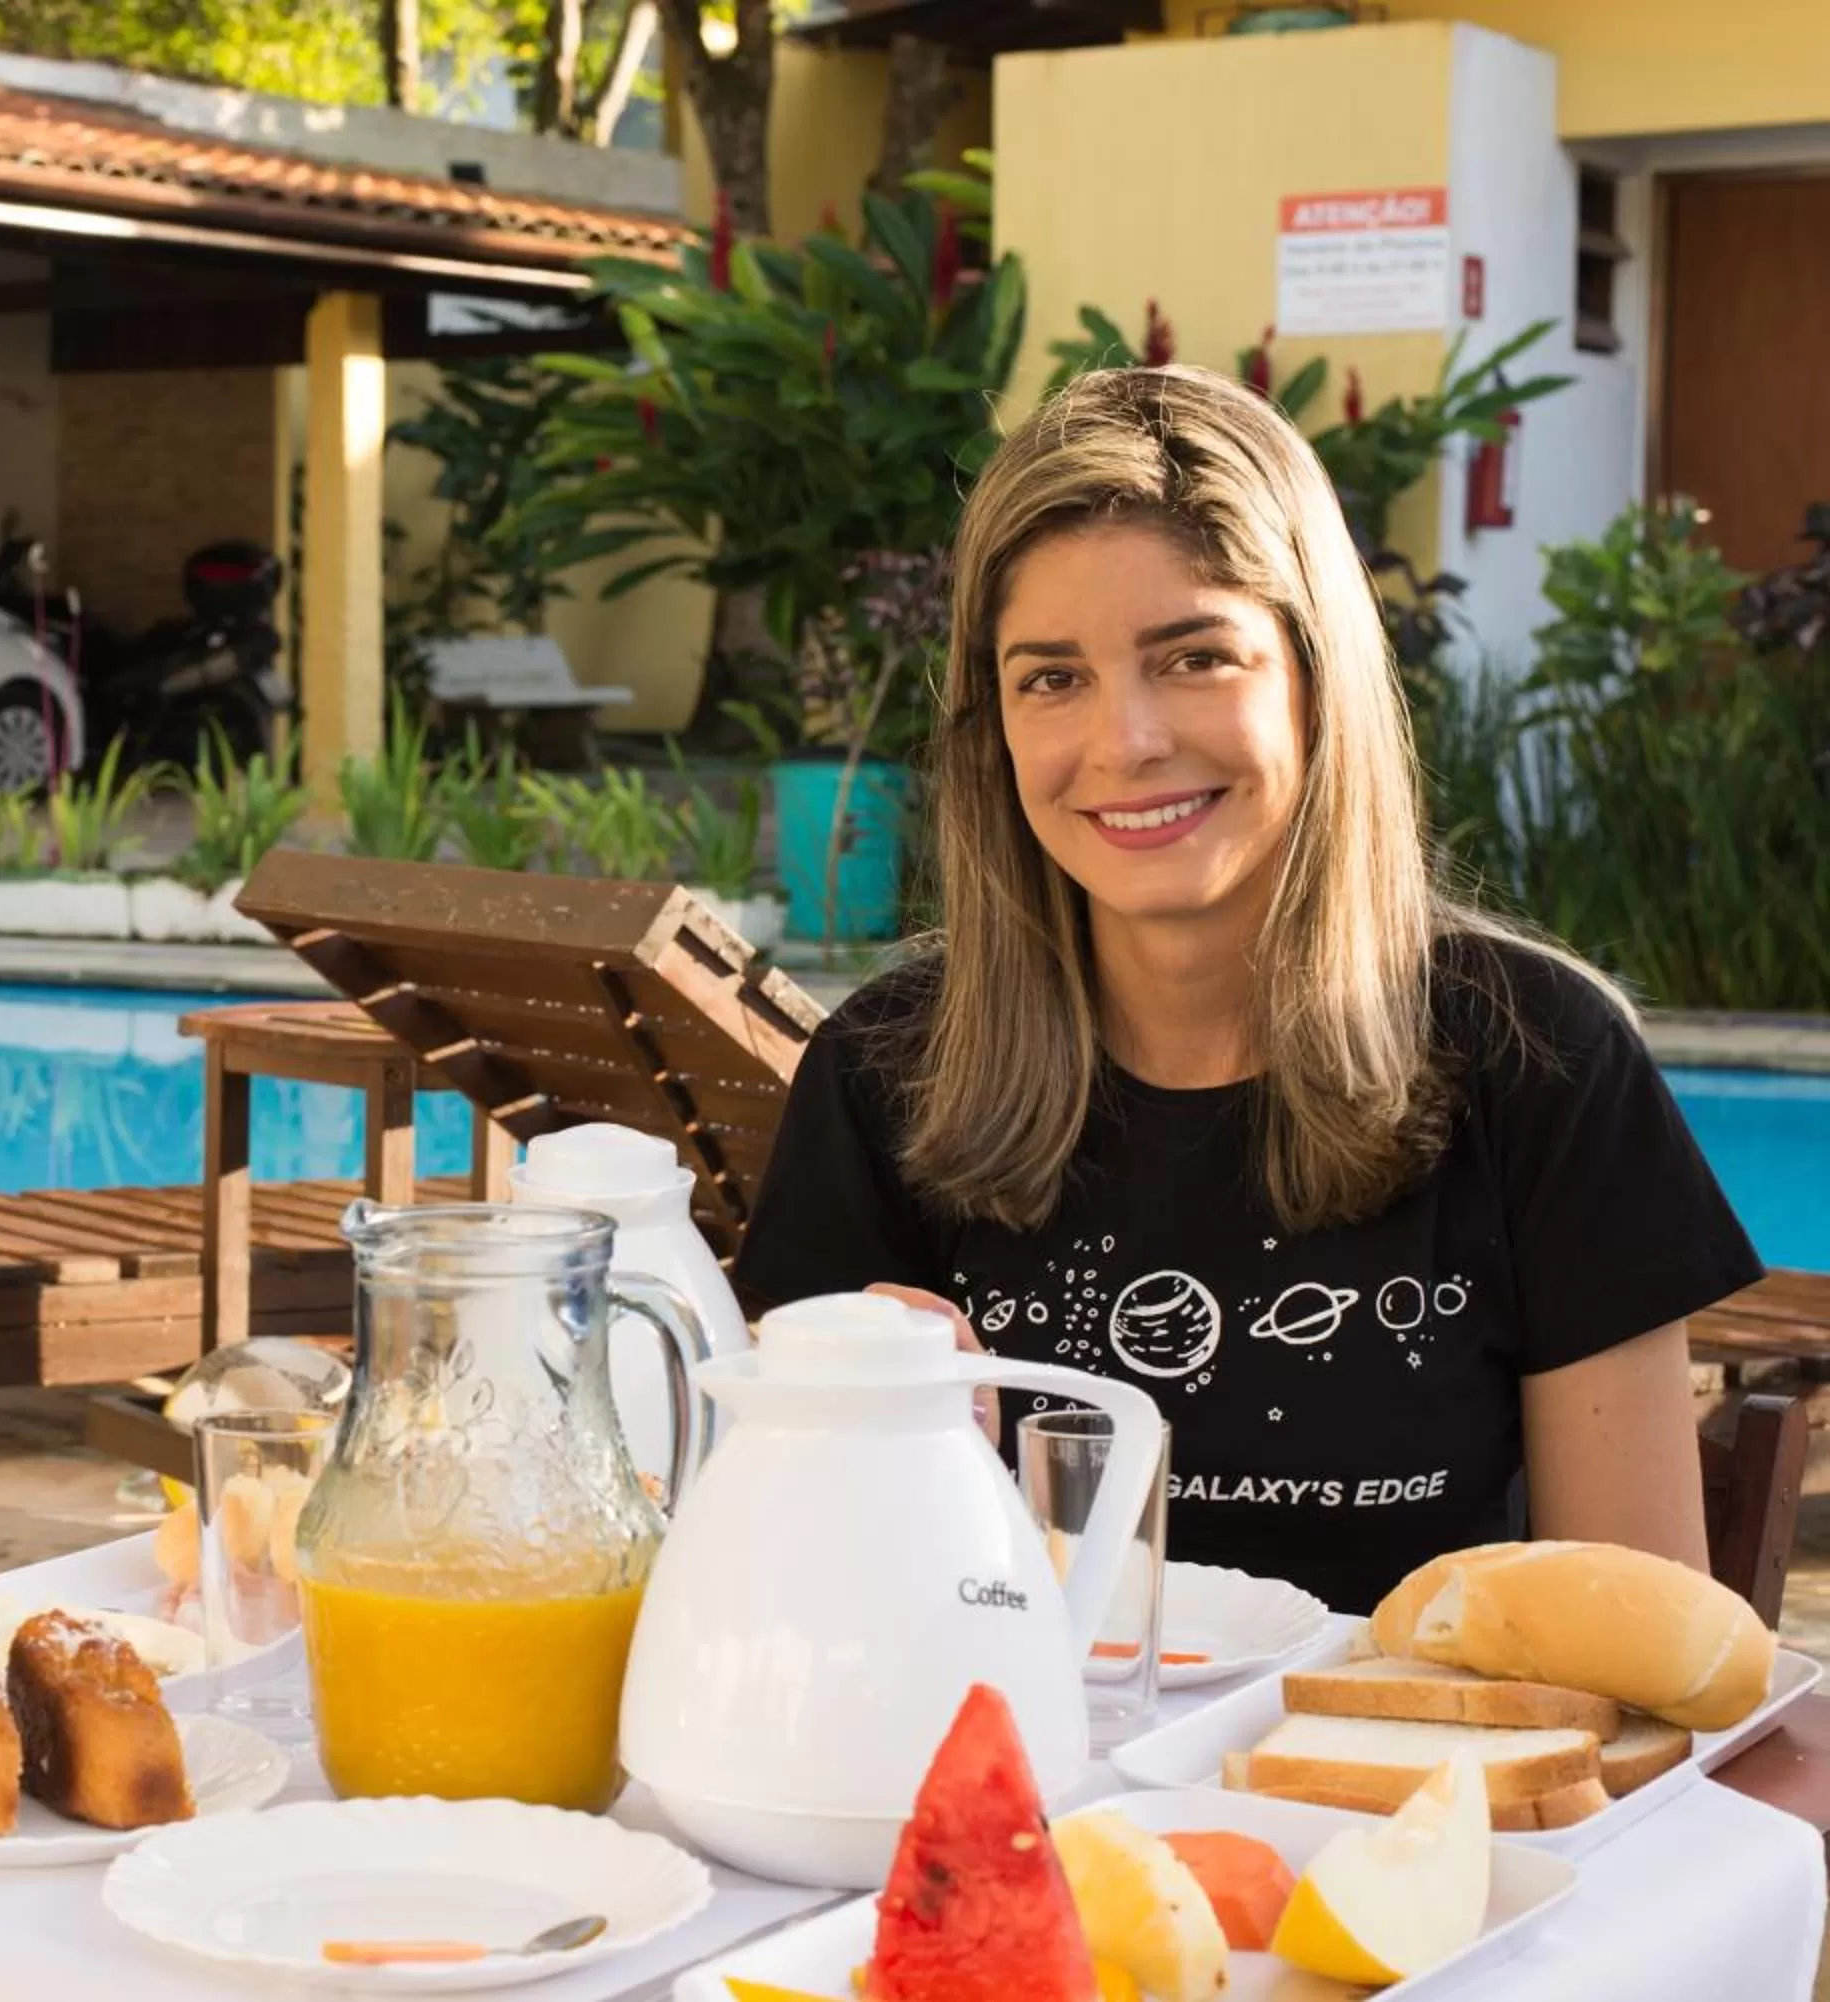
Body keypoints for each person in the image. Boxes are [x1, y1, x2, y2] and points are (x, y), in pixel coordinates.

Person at [735, 365, 1761, 1618]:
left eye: (1195, 656)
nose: (1125, 742)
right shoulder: (885, 1072)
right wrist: (859, 1454)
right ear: (992, 729)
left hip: (1411, 1806)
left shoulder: (1539, 1058)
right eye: (1050, 677)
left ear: (1315, 680)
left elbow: (1640, 1644)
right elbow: (793, 1615)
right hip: (1025, 1799)